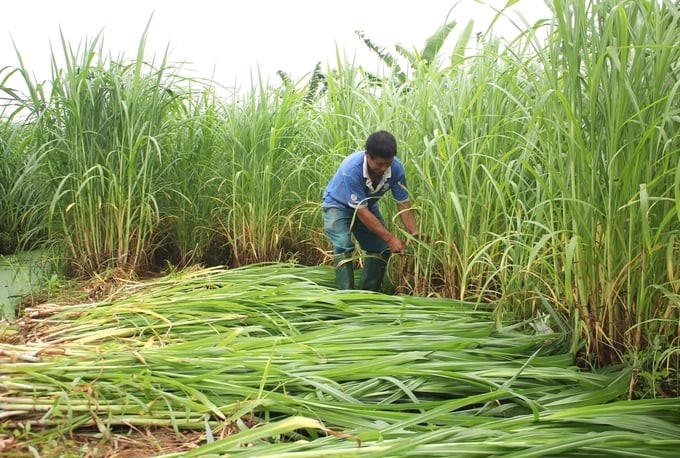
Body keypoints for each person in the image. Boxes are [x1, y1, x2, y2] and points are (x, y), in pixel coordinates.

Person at [322, 130, 419, 291]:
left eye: (387, 163)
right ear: (367, 155)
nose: (383, 168)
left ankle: (367, 294)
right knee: (343, 245)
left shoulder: (396, 169)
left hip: (367, 205)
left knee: (380, 248)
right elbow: (361, 212)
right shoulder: (352, 168)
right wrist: (390, 238)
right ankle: (345, 295)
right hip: (337, 205)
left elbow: (403, 203)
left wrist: (414, 232)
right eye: (379, 164)